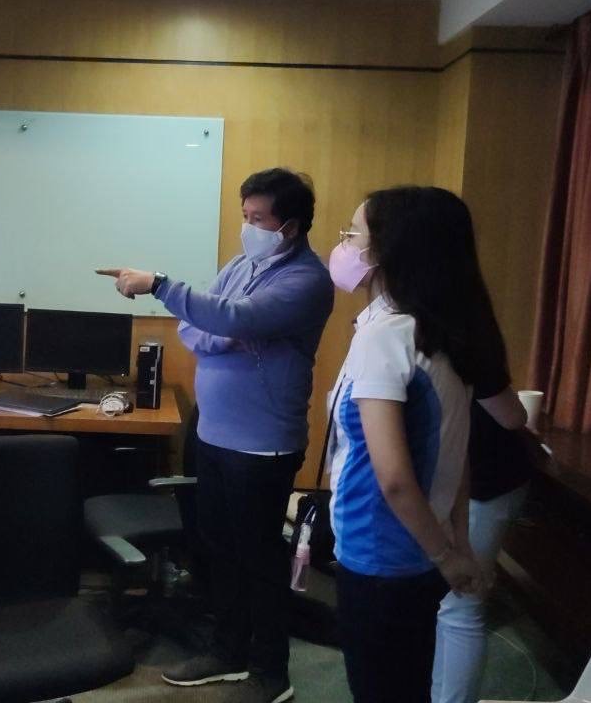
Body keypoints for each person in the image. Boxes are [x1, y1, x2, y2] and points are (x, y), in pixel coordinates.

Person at [98, 168, 334, 703]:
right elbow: (200, 326)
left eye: (259, 218)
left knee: (259, 560)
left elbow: (231, 317)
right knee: (218, 551)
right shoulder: (241, 264)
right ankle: (228, 652)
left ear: (291, 226)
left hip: (262, 446)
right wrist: (225, 329)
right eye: (244, 215)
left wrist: (162, 286)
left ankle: (271, 672)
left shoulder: (306, 280)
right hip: (214, 435)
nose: (248, 227)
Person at [325, 187, 485, 703]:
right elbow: (458, 453)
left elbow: (393, 478)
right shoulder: (443, 329)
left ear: (390, 250)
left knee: (381, 688)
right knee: (407, 684)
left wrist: (448, 555)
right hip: (419, 552)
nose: (344, 246)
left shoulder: (386, 336)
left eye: (353, 235)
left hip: (380, 554)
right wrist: (455, 545)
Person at [431, 303, 535, 699]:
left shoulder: (458, 332)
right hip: (458, 479)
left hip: (485, 481)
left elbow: (510, 416)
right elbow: (514, 416)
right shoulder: (453, 326)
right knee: (451, 606)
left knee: (460, 606)